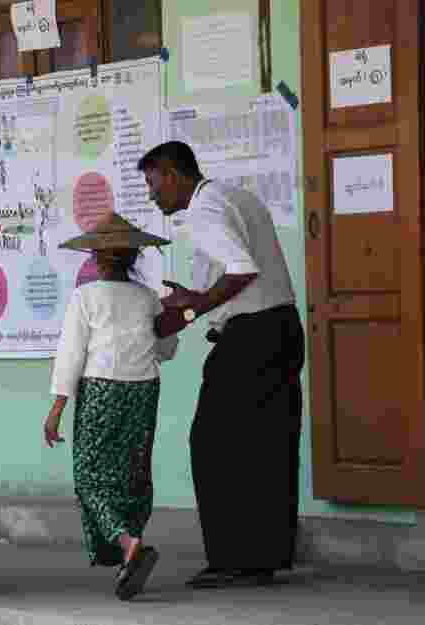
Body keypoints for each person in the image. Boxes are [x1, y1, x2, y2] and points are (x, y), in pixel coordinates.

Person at [138, 141, 304, 588]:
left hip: (253, 337)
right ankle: (264, 558)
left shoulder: (202, 211)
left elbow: (241, 270)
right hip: (281, 326)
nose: (153, 196)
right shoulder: (234, 195)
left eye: (153, 185)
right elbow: (233, 278)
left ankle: (234, 561)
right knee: (268, 447)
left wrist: (192, 309)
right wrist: (195, 304)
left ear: (174, 175)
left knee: (213, 445)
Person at [44, 213, 179, 601]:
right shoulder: (149, 298)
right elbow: (166, 350)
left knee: (89, 476)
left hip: (101, 391)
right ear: (133, 257)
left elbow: (70, 356)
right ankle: (128, 553)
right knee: (133, 475)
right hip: (143, 391)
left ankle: (127, 542)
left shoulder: (85, 297)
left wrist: (56, 409)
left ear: (97, 258)